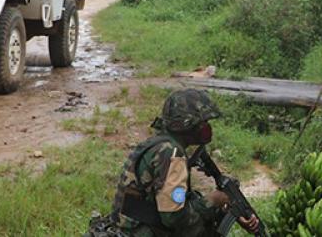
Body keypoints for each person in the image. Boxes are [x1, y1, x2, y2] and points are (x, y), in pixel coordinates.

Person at [88, 89, 260, 236]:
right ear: (188, 125)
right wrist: (213, 200)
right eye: (203, 123)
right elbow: (173, 217)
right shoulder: (172, 154)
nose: (207, 128)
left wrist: (226, 209)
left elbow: (174, 199)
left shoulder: (158, 144)